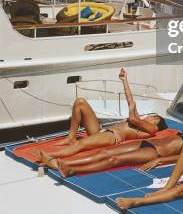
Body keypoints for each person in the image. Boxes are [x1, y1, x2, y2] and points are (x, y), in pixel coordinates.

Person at [33, 68, 167, 163]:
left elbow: (132, 118)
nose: (149, 115)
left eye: (153, 116)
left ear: (156, 120)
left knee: (82, 144)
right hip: (100, 131)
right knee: (80, 102)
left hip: (111, 137)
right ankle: (71, 137)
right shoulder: (140, 121)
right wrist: (124, 80)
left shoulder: (152, 129)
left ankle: (49, 155)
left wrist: (132, 109)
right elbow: (130, 99)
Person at [38, 129, 183, 178]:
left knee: (113, 159)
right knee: (105, 151)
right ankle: (60, 161)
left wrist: (159, 160)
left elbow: (182, 158)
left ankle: (70, 169)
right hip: (147, 143)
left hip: (152, 152)